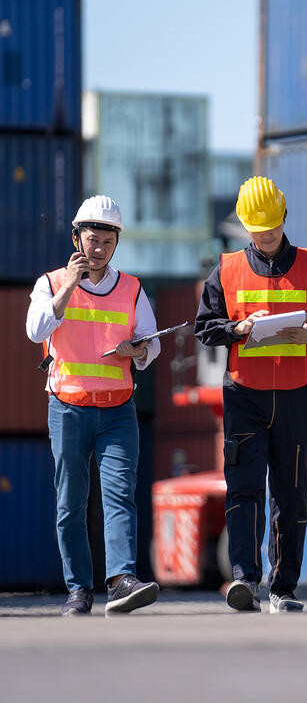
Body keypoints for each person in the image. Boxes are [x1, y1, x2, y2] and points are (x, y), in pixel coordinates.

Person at [195, 176, 307, 613]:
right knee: (243, 491)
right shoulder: (225, 270)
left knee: (293, 493)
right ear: (245, 225)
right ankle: (245, 580)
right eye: (256, 229)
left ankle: (283, 587)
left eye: (271, 227)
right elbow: (204, 328)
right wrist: (237, 329)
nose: (264, 236)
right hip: (245, 396)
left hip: (299, 397)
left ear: (284, 217)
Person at [26, 195, 161, 617]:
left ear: (116, 243)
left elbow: (152, 342)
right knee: (71, 502)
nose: (98, 248)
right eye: (91, 239)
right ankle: (79, 589)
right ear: (76, 238)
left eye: (106, 240)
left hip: (119, 410)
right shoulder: (50, 284)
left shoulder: (133, 288)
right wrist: (69, 285)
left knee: (120, 496)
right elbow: (36, 331)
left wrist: (138, 350)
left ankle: (121, 580)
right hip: (68, 408)